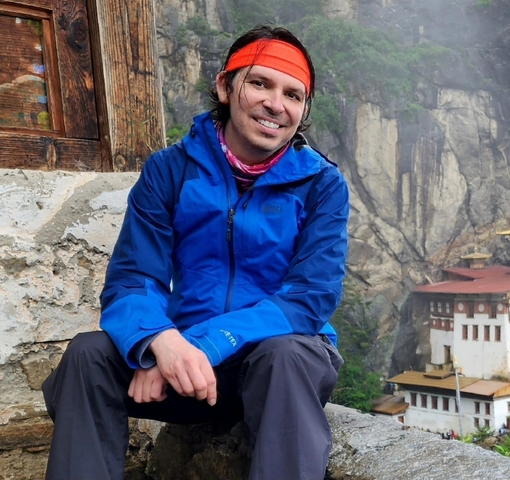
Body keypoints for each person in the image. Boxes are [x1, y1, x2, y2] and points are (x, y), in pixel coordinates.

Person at [41, 24, 348, 480]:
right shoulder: (169, 170)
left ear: (302, 111)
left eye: (293, 95)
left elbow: (308, 297)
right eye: (260, 83)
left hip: (271, 368)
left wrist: (198, 346)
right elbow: (132, 279)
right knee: (89, 355)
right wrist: (156, 343)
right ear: (226, 86)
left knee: (284, 356)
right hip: (186, 373)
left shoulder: (322, 184)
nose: (275, 105)